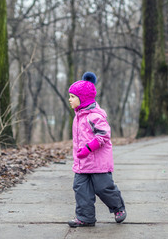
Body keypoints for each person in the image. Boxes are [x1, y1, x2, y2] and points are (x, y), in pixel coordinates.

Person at [67, 71, 126, 227]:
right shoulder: (78, 116)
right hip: (82, 164)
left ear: (83, 98)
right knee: (81, 190)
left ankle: (118, 208)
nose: (69, 99)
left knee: (104, 188)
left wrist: (88, 148)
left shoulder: (94, 116)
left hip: (98, 163)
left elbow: (104, 135)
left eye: (73, 96)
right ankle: (85, 217)